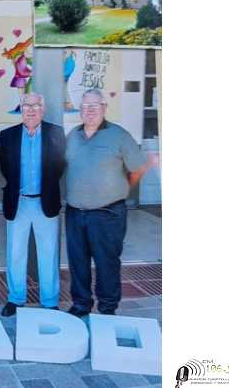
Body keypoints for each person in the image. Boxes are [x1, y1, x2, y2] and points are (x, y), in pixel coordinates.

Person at [65, 89, 158, 317]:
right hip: (75, 213)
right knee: (78, 262)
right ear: (80, 110)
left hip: (107, 214)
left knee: (106, 263)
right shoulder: (73, 135)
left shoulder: (119, 135)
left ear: (104, 108)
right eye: (85, 106)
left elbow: (138, 169)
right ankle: (81, 305)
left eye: (95, 106)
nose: (90, 110)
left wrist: (121, 190)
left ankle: (107, 309)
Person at [0, 93, 66, 317]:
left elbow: (60, 166)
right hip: (18, 202)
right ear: (21, 109)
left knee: (48, 253)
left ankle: (50, 301)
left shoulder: (56, 133)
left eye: (35, 106)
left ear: (42, 109)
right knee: (16, 253)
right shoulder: (7, 135)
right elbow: (5, 168)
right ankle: (15, 299)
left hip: (45, 202)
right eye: (26, 105)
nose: (30, 110)